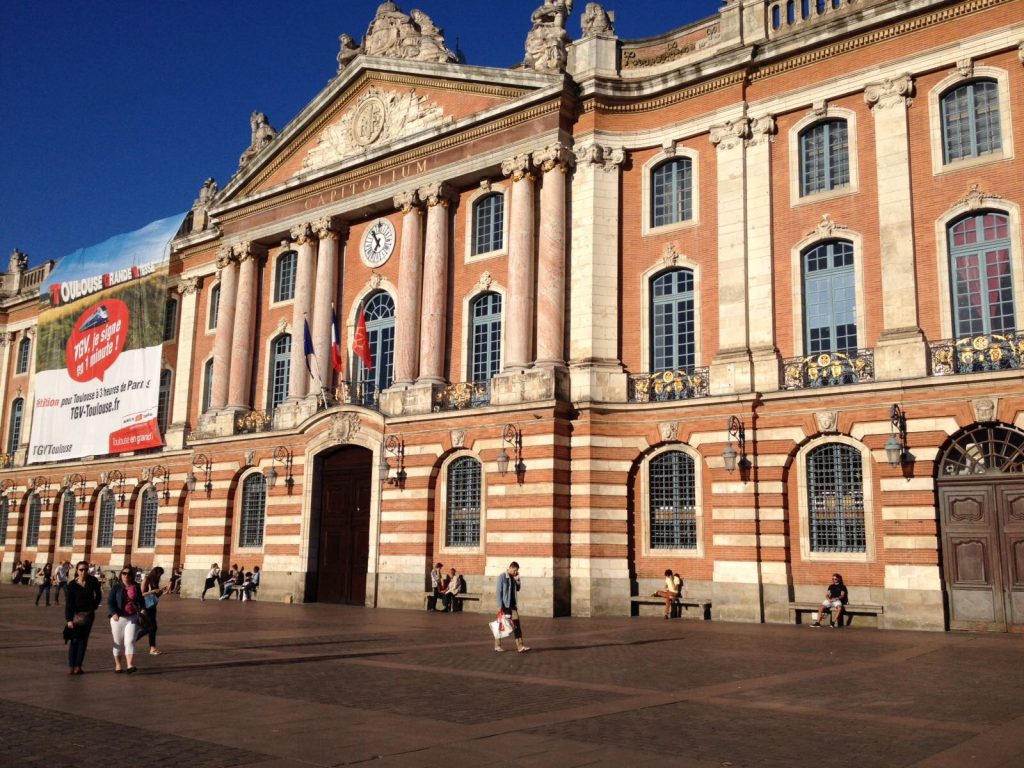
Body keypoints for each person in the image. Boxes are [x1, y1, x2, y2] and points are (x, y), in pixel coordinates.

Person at [64, 560, 103, 674]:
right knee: (74, 640)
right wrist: (69, 620)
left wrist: (94, 605)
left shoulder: (92, 581)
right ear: (77, 571)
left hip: (88, 615)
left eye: (86, 570)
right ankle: (72, 665)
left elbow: (98, 595)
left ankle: (78, 666)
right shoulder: (71, 586)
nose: (84, 572)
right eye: (81, 570)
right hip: (76, 616)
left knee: (83, 641)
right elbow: (69, 604)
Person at [108, 564, 145, 673]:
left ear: (132, 575)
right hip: (118, 618)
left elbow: (141, 601)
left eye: (128, 574)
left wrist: (143, 610)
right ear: (121, 575)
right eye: (124, 573)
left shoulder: (136, 586)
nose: (126, 575)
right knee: (118, 642)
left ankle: (130, 665)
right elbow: (110, 601)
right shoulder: (116, 586)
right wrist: (114, 613)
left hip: (132, 617)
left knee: (130, 641)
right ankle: (118, 665)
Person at [495, 561, 529, 653]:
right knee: (501, 625)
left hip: (513, 606)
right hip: (504, 606)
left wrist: (517, 579)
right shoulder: (502, 577)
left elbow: (518, 589)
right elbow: (499, 592)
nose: (515, 572)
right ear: (510, 567)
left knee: (517, 625)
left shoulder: (514, 578)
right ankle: (497, 645)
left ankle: (520, 646)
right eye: (514, 570)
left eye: (516, 571)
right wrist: (499, 605)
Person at [140, 567, 169, 654]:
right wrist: (152, 591)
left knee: (150, 628)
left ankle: (132, 640)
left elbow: (155, 597)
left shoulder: (155, 581)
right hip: (146, 606)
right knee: (151, 627)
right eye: (159, 575)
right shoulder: (146, 579)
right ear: (155, 573)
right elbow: (141, 594)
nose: (159, 577)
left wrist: (161, 592)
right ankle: (152, 648)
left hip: (152, 606)